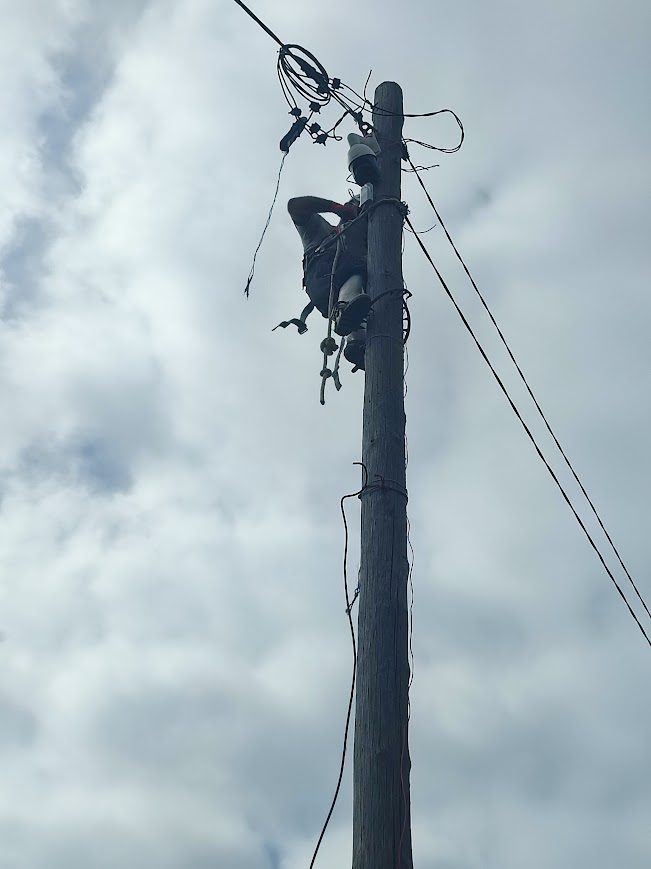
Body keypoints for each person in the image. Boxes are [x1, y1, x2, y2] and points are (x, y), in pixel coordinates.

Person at [287, 195, 370, 370]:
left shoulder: (366, 249)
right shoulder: (320, 230)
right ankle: (344, 310)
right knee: (355, 269)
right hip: (323, 277)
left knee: (362, 286)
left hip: (334, 292)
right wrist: (336, 208)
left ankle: (357, 342)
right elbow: (295, 206)